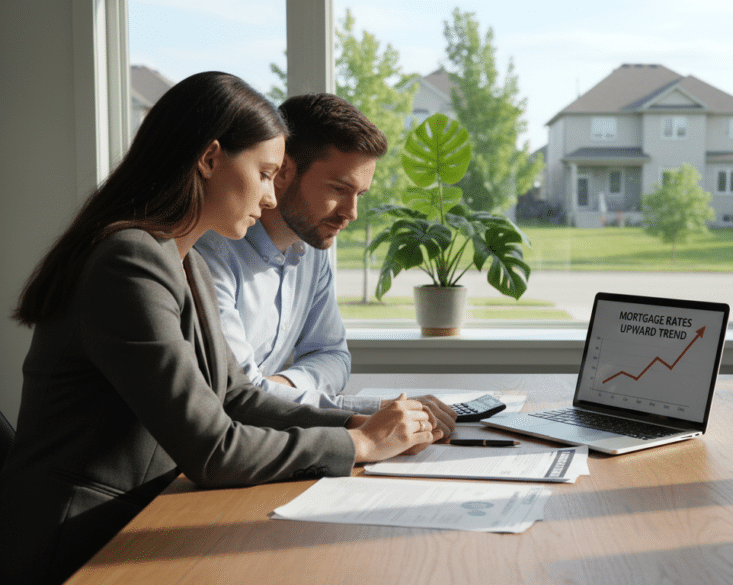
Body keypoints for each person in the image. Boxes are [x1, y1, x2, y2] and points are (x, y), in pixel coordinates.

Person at [0, 72, 451, 585]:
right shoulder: (130, 260)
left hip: (143, 519)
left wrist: (354, 427)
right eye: (264, 174)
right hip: (75, 545)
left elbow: (234, 396)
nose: (270, 197)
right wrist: (362, 447)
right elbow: (213, 449)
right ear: (210, 159)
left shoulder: (179, 258)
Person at [193, 93, 453, 420]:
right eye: (338, 189)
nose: (352, 213)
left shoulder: (312, 253)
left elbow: (332, 355)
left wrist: (281, 387)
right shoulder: (209, 253)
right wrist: (378, 410)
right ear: (283, 171)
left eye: (359, 194)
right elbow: (237, 397)